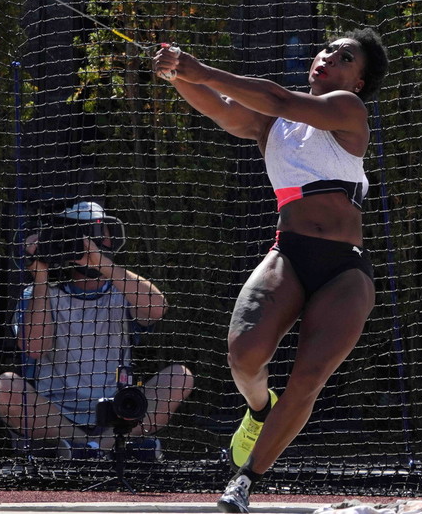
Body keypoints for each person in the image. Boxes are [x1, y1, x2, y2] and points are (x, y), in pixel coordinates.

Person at [152, 29, 389, 512]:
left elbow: (275, 95)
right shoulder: (272, 125)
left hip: (345, 270)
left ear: (358, 82)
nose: (328, 58)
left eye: (344, 58)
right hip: (288, 253)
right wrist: (177, 73)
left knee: (309, 376)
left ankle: (244, 480)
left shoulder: (348, 110)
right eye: (327, 50)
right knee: (244, 354)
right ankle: (259, 409)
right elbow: (222, 107)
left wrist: (197, 68)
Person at [0, 201, 194, 458]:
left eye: (98, 235)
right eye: (81, 236)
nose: (90, 244)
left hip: (117, 412)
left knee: (180, 376)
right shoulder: (40, 294)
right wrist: (41, 274)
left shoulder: (124, 289)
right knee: (5, 386)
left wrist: (102, 265)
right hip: (55, 415)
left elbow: (158, 308)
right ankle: (83, 446)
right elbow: (33, 348)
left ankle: (97, 448)